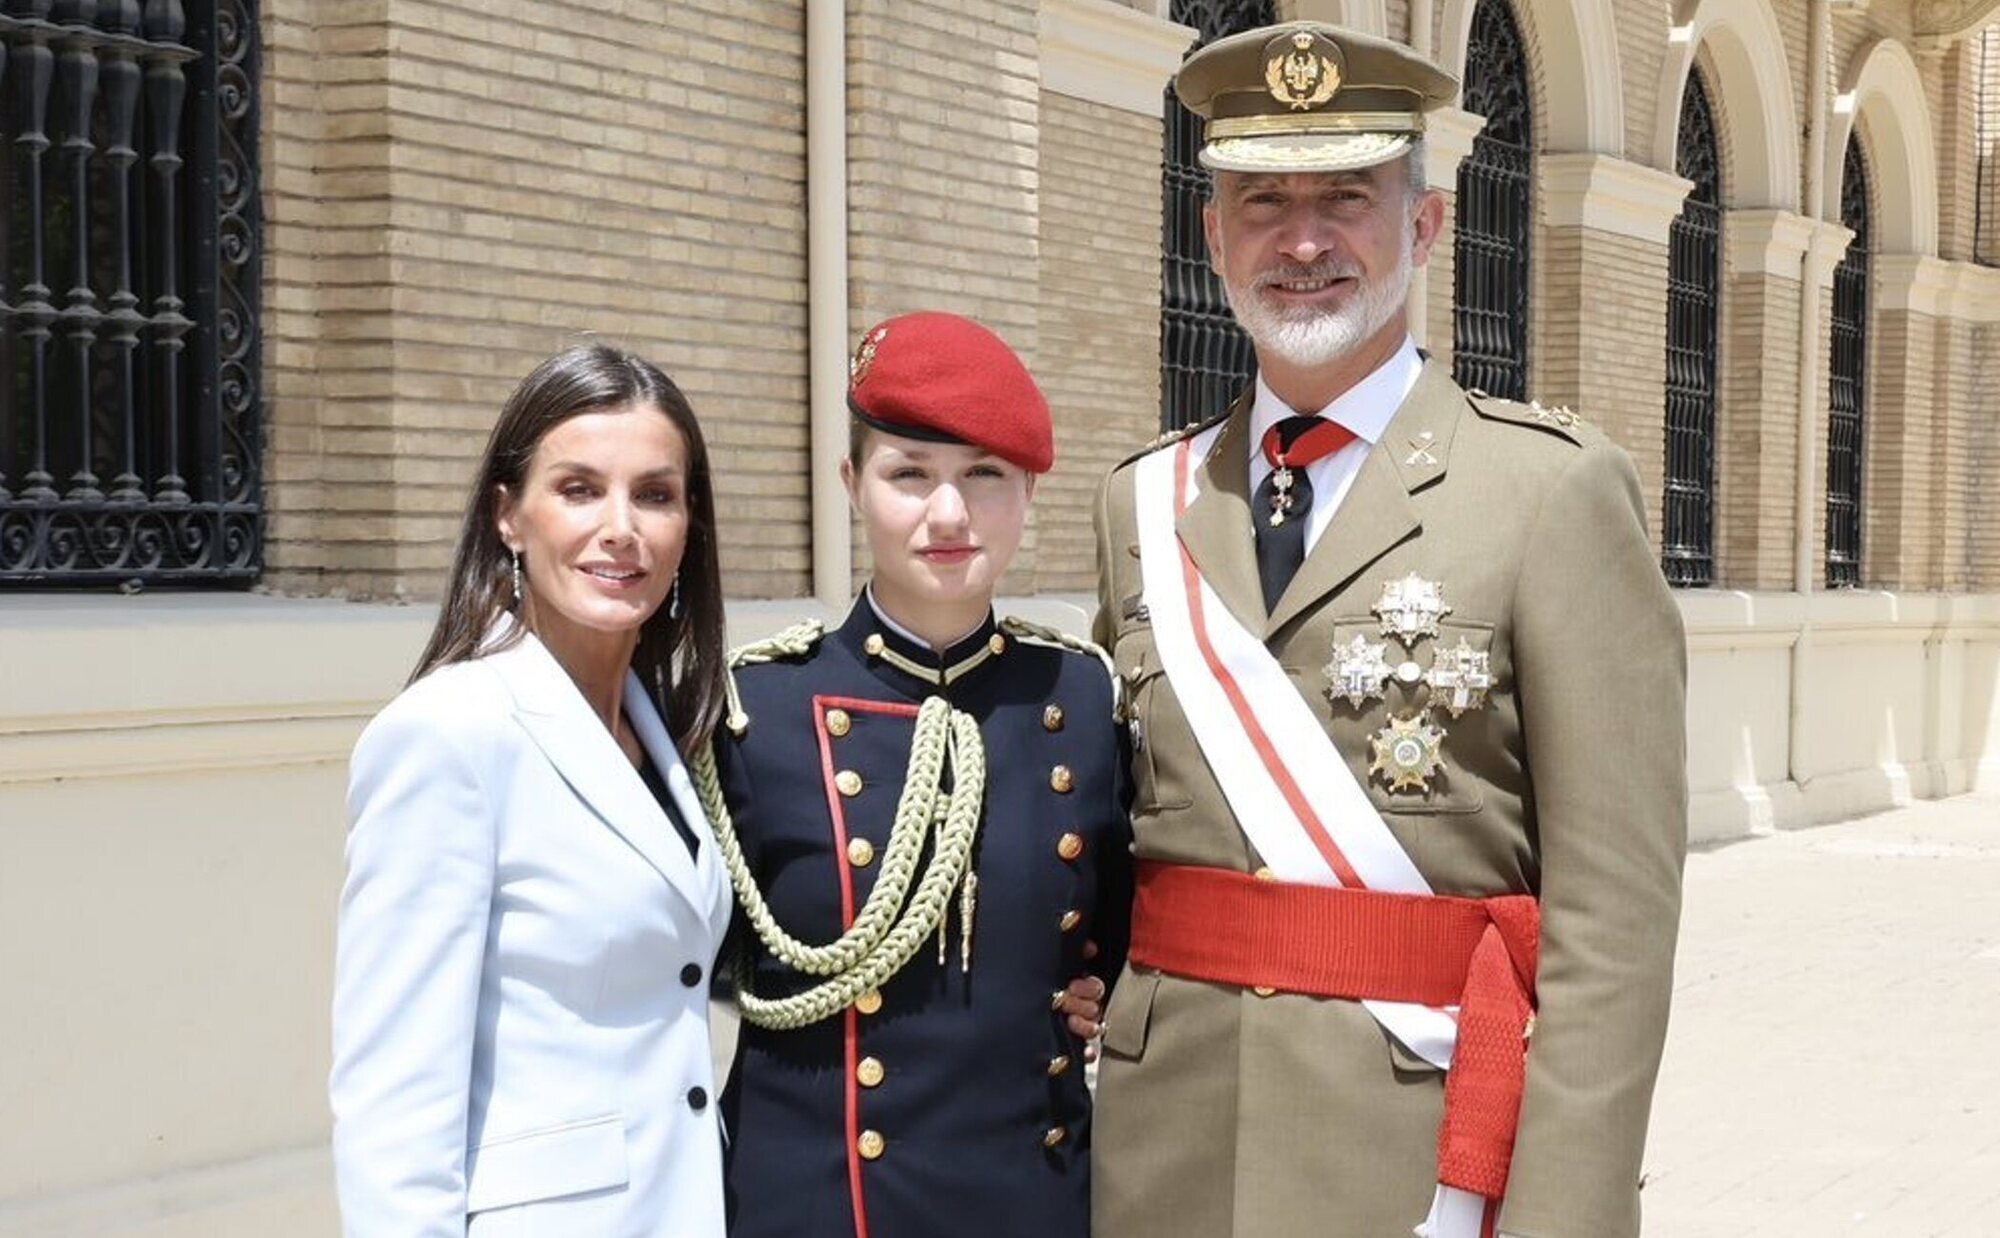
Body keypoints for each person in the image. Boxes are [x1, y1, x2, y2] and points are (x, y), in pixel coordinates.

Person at [1090, 21, 1687, 1238]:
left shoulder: (1547, 493)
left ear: (1421, 226)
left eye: (1346, 197)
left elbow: (1612, 931)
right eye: (1260, 200)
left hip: (1414, 1166)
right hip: (1164, 1161)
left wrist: (1558, 1214)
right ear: (1212, 234)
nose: (1300, 240)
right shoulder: (1140, 502)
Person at [697, 311, 1131, 1238]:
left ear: (1029, 493)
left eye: (984, 476)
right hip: (813, 1202)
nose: (948, 514)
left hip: (1034, 1196)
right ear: (852, 484)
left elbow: (1131, 936)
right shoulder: (751, 709)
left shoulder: (1086, 699)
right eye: (909, 475)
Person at [330, 343, 734, 1238]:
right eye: (580, 489)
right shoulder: (446, 736)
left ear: (688, 526)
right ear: (509, 516)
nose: (621, 527)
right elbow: (393, 1101)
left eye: (655, 494)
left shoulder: (673, 735)